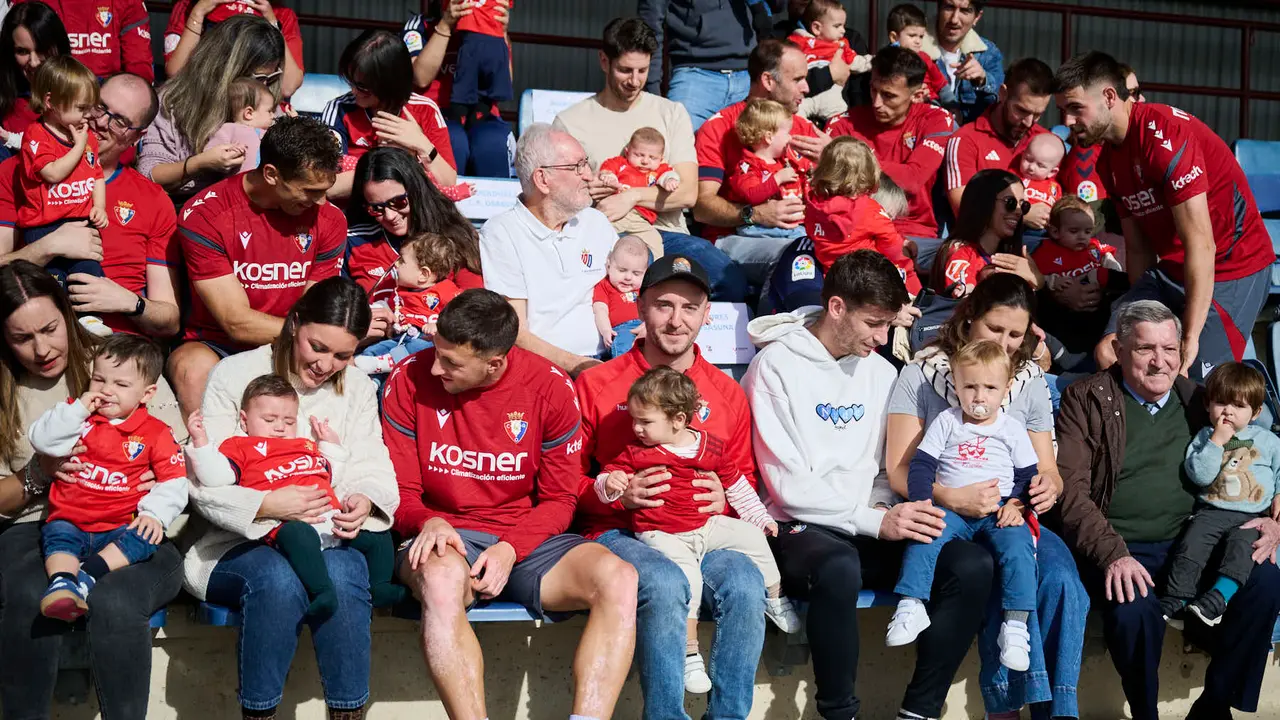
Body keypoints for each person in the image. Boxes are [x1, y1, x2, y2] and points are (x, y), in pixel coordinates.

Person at [746, 249, 983, 720]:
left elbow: (882, 467)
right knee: (837, 569)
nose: (883, 337)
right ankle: (840, 712)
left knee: (970, 563)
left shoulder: (879, 370)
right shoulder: (775, 367)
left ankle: (919, 710)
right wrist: (875, 521)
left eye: (889, 325)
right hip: (799, 526)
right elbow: (787, 487)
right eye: (874, 323)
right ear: (837, 307)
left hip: (869, 521)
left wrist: (885, 512)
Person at [384, 288, 637, 720]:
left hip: (526, 535)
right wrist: (427, 521)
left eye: (451, 362)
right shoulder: (408, 378)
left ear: (495, 362)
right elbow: (399, 492)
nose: (434, 365)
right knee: (443, 582)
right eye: (437, 351)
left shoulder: (551, 388)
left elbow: (560, 498)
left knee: (619, 578)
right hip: (443, 534)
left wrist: (510, 549)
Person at [1054, 300, 1280, 720]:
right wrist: (1112, 554)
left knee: (1266, 581)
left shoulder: (1199, 399)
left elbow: (1263, 458)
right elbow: (1071, 491)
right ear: (1119, 351)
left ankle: (1213, 706)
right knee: (1132, 608)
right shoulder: (1084, 400)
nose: (1160, 361)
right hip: (1121, 547)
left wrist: (1274, 521)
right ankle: (1145, 712)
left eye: (1170, 349)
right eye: (1145, 349)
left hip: (1194, 539)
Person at [188, 277, 398, 720]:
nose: (326, 364)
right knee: (277, 578)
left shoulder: (357, 386)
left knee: (344, 569)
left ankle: (348, 712)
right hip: (237, 543)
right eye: (317, 347)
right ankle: (259, 713)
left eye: (343, 355)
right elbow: (205, 482)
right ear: (294, 323)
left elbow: (372, 464)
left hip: (324, 535)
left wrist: (363, 498)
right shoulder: (236, 374)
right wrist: (264, 507)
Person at [573, 253, 766, 716]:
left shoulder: (726, 392)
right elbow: (565, 482)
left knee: (744, 581)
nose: (676, 320)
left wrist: (727, 497)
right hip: (621, 532)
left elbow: (745, 477)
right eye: (663, 305)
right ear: (640, 307)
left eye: (689, 307)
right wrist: (619, 497)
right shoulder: (598, 384)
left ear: (707, 315)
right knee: (663, 581)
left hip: (703, 530)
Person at [887, 273, 1086, 719]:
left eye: (1017, 334)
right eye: (995, 329)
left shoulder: (1030, 378)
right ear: (970, 317)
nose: (1007, 342)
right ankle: (1004, 709)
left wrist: (1041, 490)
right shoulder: (922, 374)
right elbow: (900, 470)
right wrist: (952, 498)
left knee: (1062, 581)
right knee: (990, 571)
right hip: (945, 512)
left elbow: (1044, 467)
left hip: (1010, 513)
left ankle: (1058, 710)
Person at [0, 261, 186, 719]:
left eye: (49, 328)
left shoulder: (117, 360)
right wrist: (38, 474)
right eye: (23, 338)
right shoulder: (6, 388)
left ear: (67, 312)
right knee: (29, 593)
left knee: (116, 598)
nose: (42, 349)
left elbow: (178, 456)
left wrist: (156, 495)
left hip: (133, 526)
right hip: (42, 522)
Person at [1054, 52, 1274, 383]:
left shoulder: (1163, 135)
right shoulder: (1107, 163)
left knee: (1194, 382)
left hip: (1232, 267)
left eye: (1075, 108)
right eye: (1063, 111)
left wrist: (1191, 337)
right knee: (1111, 353)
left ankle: (1256, 428)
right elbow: (1139, 250)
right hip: (1170, 272)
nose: (1068, 121)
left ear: (1109, 97)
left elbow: (1201, 244)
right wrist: (1140, 322)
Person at [598, 365, 799, 693]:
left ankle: (776, 597)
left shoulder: (711, 447)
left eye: (645, 421)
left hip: (704, 526)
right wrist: (611, 483)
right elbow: (606, 478)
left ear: (678, 419)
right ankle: (690, 653)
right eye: (634, 420)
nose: (636, 428)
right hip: (660, 532)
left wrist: (759, 518)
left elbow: (736, 486)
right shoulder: (637, 453)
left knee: (751, 537)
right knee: (686, 578)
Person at [167, 115, 346, 420]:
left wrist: (316, 343)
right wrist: (312, 338)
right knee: (190, 368)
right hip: (217, 343)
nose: (321, 201)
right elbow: (236, 322)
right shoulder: (206, 214)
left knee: (343, 373)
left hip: (296, 346)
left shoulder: (329, 219)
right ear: (272, 173)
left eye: (325, 190)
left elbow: (318, 307)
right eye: (309, 190)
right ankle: (212, 460)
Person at [185, 374, 404, 617]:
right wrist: (201, 444)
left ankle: (380, 586)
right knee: (296, 536)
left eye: (288, 421)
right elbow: (216, 477)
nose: (279, 427)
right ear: (245, 421)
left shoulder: (304, 445)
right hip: (289, 521)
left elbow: (331, 473)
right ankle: (322, 592)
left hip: (332, 520)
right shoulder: (240, 447)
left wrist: (331, 444)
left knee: (377, 533)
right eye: (269, 419)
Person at [887, 339, 1039, 675]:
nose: (979, 397)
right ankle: (912, 604)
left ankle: (1015, 626)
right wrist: (923, 501)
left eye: (989, 387)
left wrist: (1018, 505)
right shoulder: (946, 421)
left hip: (999, 508)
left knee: (1018, 546)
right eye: (970, 386)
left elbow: (1029, 476)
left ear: (1007, 388)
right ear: (956, 385)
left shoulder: (1011, 429)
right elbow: (922, 466)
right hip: (953, 505)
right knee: (926, 532)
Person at [0, 72, 181, 338]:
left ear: (136, 138)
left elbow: (170, 320)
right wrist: (47, 247)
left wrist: (129, 302)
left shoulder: (153, 200)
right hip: (39, 342)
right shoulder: (14, 172)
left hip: (120, 353)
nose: (101, 122)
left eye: (119, 121)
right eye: (99, 106)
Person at [29, 335, 184, 621]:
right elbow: (42, 440)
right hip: (71, 518)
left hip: (118, 525)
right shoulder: (77, 416)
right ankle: (62, 582)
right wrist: (77, 410)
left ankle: (87, 576)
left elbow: (174, 479)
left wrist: (154, 514)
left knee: (146, 537)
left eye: (121, 385)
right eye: (99, 380)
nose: (106, 391)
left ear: (147, 394)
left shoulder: (156, 432)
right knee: (57, 536)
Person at [554, 18, 699, 263]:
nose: (634, 81)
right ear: (604, 61)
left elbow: (688, 193)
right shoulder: (570, 121)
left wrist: (631, 196)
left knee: (729, 279)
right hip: (610, 229)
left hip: (670, 233)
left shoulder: (672, 112)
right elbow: (557, 198)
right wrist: (587, 192)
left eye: (643, 71)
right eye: (625, 70)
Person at [695, 38, 833, 287]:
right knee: (797, 259)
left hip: (800, 236)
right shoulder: (720, 127)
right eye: (797, 79)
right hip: (736, 239)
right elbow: (702, 207)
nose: (807, 88)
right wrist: (755, 214)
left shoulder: (804, 128)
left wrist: (831, 160)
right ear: (768, 81)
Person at [479, 123, 614, 375]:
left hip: (612, 357)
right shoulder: (502, 232)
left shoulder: (596, 222)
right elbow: (516, 333)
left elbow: (628, 292)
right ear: (542, 179)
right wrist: (581, 367)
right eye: (577, 167)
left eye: (586, 163)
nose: (588, 175)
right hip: (547, 370)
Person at [1157, 362, 1280, 627]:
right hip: (1212, 511)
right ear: (1207, 404)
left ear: (1256, 412)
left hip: (1253, 516)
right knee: (1191, 545)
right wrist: (1217, 442)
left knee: (1243, 550)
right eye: (1221, 403)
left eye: (1239, 406)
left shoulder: (1269, 441)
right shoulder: (1204, 438)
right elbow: (1200, 476)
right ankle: (1177, 597)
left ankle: (1218, 599)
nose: (1228, 412)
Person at [138, 14, 284, 203]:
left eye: (271, 78)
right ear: (223, 67)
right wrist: (200, 164)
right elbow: (148, 174)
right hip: (185, 205)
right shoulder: (172, 101)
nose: (265, 85)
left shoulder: (264, 104)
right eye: (257, 78)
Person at [827, 46, 955, 256]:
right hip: (853, 232)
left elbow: (912, 179)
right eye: (873, 90)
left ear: (917, 94)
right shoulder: (842, 124)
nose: (877, 103)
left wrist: (853, 160)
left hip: (914, 234)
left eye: (888, 95)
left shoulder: (935, 119)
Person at [16, 54, 107, 335]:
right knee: (51, 281)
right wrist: (79, 146)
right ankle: (54, 326)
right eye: (81, 108)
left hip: (81, 224)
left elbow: (96, 175)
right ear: (50, 102)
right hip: (44, 227)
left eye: (91, 108)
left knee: (88, 273)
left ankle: (88, 321)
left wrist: (100, 207)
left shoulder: (85, 135)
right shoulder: (35, 135)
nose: (88, 115)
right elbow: (53, 173)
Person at [323, 29, 457, 200]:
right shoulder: (338, 109)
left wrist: (421, 144)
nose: (354, 90)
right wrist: (390, 159)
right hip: (357, 216)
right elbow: (328, 185)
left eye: (363, 86)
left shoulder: (426, 109)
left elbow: (449, 185)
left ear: (391, 82)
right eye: (350, 80)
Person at [345, 146, 482, 298]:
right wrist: (364, 320)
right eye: (376, 208)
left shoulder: (455, 237)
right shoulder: (353, 241)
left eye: (398, 202)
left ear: (416, 191)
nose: (390, 216)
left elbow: (475, 307)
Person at [403, 0, 512, 178]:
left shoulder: (488, 26)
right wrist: (445, 26)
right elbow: (420, 78)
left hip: (481, 113)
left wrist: (500, 32)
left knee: (493, 144)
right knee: (454, 142)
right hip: (435, 115)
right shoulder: (419, 26)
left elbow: (503, 81)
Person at [807, 134, 921, 296]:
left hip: (833, 278)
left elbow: (811, 232)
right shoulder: (869, 209)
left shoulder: (814, 207)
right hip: (871, 277)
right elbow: (893, 247)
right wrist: (908, 267)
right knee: (905, 270)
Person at [943, 57, 1052, 225]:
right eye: (1021, 110)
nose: (1029, 122)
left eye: (1038, 115)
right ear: (1003, 93)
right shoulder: (966, 140)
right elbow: (964, 210)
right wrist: (1021, 214)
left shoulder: (1048, 143)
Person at [639, 0, 777, 131]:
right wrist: (652, 91)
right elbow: (650, 28)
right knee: (676, 147)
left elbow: (779, 6)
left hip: (747, 75)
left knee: (763, 148)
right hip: (694, 76)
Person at [1031, 197, 1124, 361]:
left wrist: (1109, 269)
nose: (1082, 237)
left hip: (1097, 305)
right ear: (1055, 231)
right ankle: (1065, 356)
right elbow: (1038, 276)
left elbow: (1108, 261)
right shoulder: (1046, 252)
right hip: (1066, 315)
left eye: (1087, 231)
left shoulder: (1093, 247)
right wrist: (1053, 281)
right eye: (1074, 231)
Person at [355, 231, 462, 374]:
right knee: (375, 349)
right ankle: (372, 379)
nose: (396, 264)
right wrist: (382, 310)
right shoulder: (400, 291)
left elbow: (461, 315)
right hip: (400, 338)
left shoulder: (446, 291)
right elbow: (394, 312)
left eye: (402, 261)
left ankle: (388, 363)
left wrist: (439, 326)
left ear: (423, 274)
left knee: (420, 347)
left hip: (425, 340)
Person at [164, 0, 304, 99]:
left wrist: (273, 24)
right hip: (204, 107)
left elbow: (288, 87)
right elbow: (176, 74)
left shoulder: (282, 14)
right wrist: (198, 13)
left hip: (255, 115)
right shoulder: (189, 6)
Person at [931, 169, 1036, 298]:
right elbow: (963, 306)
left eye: (1023, 205)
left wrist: (1038, 282)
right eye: (1011, 202)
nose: (1018, 212)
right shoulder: (960, 252)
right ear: (984, 202)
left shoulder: (1014, 257)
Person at [11, 0, 153, 82]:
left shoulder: (127, 3)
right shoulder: (25, 3)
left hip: (105, 106)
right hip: (43, 95)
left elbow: (140, 73)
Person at [594, 126, 681, 258]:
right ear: (627, 151)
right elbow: (608, 169)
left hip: (641, 219)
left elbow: (668, 174)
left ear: (661, 158)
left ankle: (653, 273)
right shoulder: (621, 163)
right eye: (639, 155)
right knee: (601, 236)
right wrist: (609, 177)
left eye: (652, 157)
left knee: (655, 241)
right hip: (617, 214)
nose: (645, 161)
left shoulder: (658, 170)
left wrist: (670, 181)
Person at [0, 3, 69, 152]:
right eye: (22, 51)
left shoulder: (85, 90)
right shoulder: (4, 99)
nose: (34, 62)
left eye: (42, 49)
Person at [921, 0, 1003, 124]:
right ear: (938, 8)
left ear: (977, 17)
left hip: (969, 140)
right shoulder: (911, 48)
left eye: (965, 11)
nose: (954, 19)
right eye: (949, 7)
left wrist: (983, 80)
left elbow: (1002, 109)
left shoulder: (988, 53)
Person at [788, 0, 867, 121]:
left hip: (833, 99)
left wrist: (877, 61)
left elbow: (859, 64)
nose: (843, 30)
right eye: (837, 26)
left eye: (843, 25)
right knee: (796, 119)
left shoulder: (848, 40)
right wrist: (830, 73)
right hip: (804, 99)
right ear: (816, 27)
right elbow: (785, 77)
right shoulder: (793, 41)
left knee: (841, 123)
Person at [447, 0, 512, 127]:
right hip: (482, 41)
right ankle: (465, 125)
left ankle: (466, 124)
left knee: (477, 91)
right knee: (476, 91)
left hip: (484, 41)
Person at [592, 234, 648, 358]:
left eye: (636, 273)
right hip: (622, 329)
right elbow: (600, 310)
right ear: (608, 266)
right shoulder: (605, 285)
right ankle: (626, 373)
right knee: (624, 345)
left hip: (646, 324)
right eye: (622, 270)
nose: (628, 277)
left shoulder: (645, 287)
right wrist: (606, 330)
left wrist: (649, 324)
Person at [205, 78, 275, 175]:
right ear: (249, 113)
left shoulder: (269, 133)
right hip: (236, 185)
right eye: (269, 111)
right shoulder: (229, 129)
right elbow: (210, 155)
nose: (273, 116)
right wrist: (230, 150)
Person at [885, 4, 948, 102]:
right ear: (894, 37)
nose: (918, 41)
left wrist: (952, 105)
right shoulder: (886, 62)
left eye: (921, 36)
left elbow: (942, 85)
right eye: (912, 35)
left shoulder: (924, 58)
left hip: (930, 103)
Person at [1017, 132, 1064, 210]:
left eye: (1040, 165)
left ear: (1052, 172)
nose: (1031, 167)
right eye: (1028, 159)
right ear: (1022, 155)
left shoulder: (1055, 188)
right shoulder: (1014, 179)